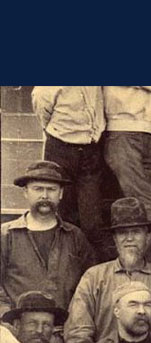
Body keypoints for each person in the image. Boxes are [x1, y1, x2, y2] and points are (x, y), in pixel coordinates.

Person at [64, 197, 151, 343]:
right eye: (123, 232)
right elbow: (78, 333)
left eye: (136, 232)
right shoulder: (94, 277)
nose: (129, 238)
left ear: (147, 237)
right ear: (114, 238)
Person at [0, 161, 94, 318]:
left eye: (51, 190)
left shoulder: (75, 236)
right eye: (38, 189)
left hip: (65, 330)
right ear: (26, 192)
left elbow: (91, 284)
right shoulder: (6, 235)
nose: (44, 195)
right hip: (18, 330)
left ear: (61, 194)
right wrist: (8, 320)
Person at [31, 86, 107, 257]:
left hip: (90, 149)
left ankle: (89, 267)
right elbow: (41, 102)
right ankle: (64, 264)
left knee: (91, 218)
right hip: (62, 146)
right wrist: (57, 133)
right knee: (64, 211)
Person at [102, 86, 151, 251]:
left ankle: (139, 267)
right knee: (148, 204)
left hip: (147, 132)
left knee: (137, 207)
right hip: (122, 131)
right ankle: (140, 266)